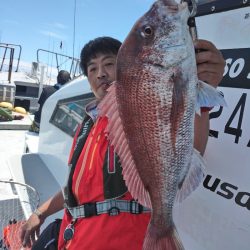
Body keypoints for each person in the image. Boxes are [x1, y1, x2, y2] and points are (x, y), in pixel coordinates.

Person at [20, 36, 225, 249]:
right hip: (73, 238)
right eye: (92, 69)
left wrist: (200, 91)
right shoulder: (87, 125)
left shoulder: (141, 114)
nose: (100, 73)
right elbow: (76, 188)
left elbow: (189, 150)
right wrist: (40, 212)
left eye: (109, 64)